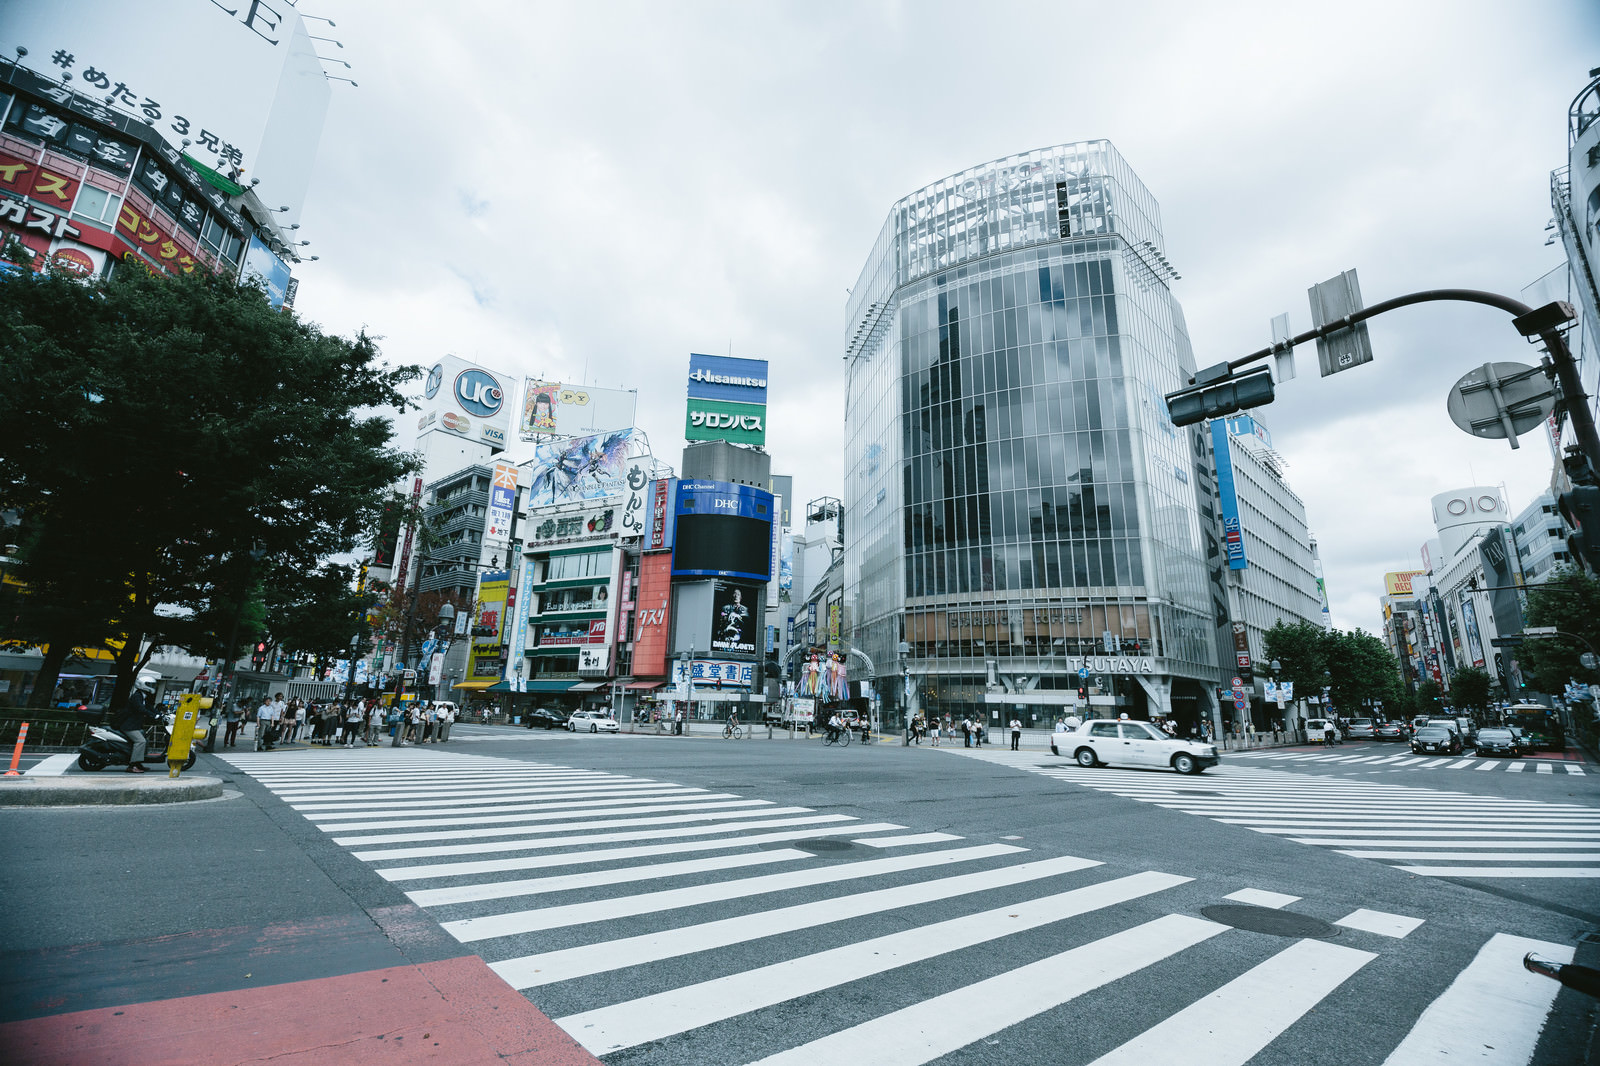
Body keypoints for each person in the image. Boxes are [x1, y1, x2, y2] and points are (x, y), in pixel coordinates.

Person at [115, 680, 159, 773]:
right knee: (140, 741)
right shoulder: (137, 696)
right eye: (149, 684)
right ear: (143, 685)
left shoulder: (142, 696)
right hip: (129, 726)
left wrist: (160, 714)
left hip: (134, 725)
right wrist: (153, 715)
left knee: (145, 740)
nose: (152, 686)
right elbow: (141, 709)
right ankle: (132, 766)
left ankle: (138, 763)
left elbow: (149, 707)